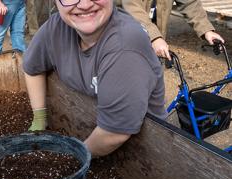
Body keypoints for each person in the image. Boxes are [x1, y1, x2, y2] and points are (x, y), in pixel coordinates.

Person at [23, 0, 167, 157]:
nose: (85, 5)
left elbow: (114, 135)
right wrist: (40, 118)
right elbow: (33, 68)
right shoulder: (56, 28)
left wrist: (70, 158)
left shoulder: (125, 46)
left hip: (141, 157)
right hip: (91, 132)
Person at [120, 0, 224, 60]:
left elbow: (190, 3)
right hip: (125, 42)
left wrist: (206, 29)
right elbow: (132, 9)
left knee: (154, 85)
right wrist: (154, 37)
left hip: (155, 44)